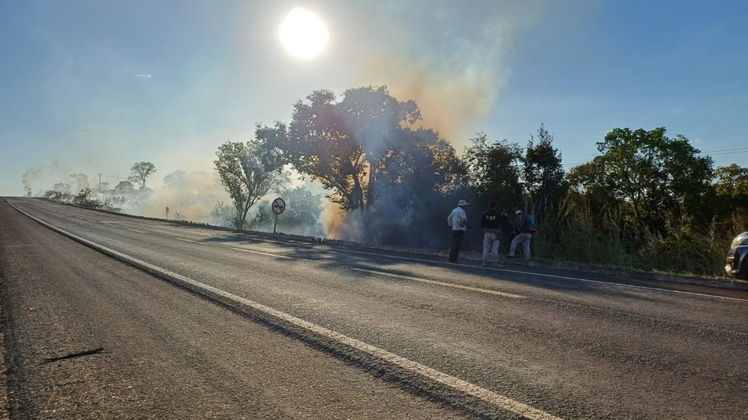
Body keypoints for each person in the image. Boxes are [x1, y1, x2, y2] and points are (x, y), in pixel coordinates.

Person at [480, 201, 503, 267]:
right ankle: (494, 262)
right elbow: (502, 223)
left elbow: (481, 224)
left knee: (486, 247)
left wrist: (484, 228)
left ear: (489, 206)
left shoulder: (484, 214)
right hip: (496, 233)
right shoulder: (498, 214)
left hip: (487, 232)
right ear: (495, 207)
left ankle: (485, 262)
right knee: (495, 248)